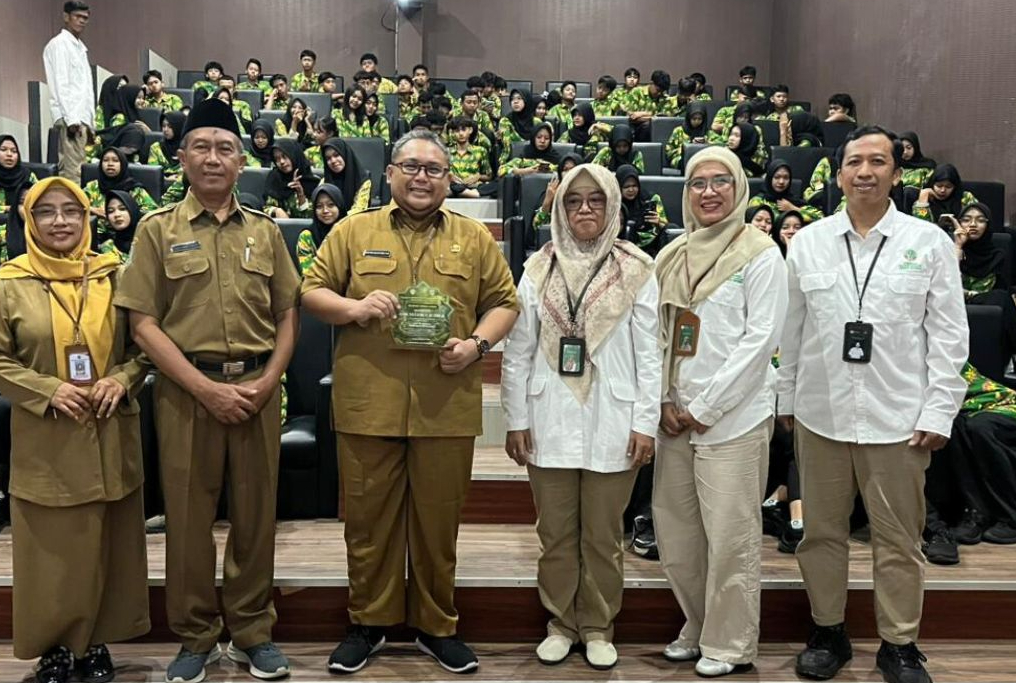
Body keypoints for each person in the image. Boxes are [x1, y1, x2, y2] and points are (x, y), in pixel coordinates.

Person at [300, 129, 519, 675]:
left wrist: (476, 346)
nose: (422, 178)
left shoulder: (473, 237)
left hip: (446, 404)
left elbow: (505, 303)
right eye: (412, 167)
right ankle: (368, 623)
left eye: (434, 169)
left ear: (448, 179)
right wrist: (353, 308)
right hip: (368, 401)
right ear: (391, 173)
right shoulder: (353, 230)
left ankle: (436, 625)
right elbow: (310, 291)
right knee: (368, 524)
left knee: (438, 525)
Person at [115, 98, 301, 682]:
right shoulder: (156, 230)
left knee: (256, 517)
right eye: (202, 146)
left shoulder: (266, 232)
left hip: (257, 391)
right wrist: (203, 388)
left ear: (241, 160)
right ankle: (195, 635)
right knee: (188, 521)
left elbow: (288, 313)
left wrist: (269, 380)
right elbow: (142, 323)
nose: (213, 158)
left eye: (225, 148)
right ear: (182, 156)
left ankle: (252, 631)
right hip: (184, 394)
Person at [777, 126, 968, 683]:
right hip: (821, 415)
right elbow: (792, 331)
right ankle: (828, 631)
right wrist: (786, 397)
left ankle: (899, 645)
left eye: (877, 161)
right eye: (854, 162)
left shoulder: (927, 242)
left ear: (896, 173)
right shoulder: (809, 242)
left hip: (899, 420)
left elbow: (949, 335)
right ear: (838, 174)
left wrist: (939, 410)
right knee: (820, 536)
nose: (865, 171)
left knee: (899, 541)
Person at [0, 176, 147, 683]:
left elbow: (145, 348)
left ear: (88, 217)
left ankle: (95, 642)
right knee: (50, 551)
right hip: (47, 434)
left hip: (109, 428)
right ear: (28, 220)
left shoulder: (116, 274)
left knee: (106, 543)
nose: (60, 222)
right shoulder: (8, 281)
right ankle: (53, 646)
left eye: (71, 210)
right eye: (45, 212)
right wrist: (47, 390)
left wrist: (121, 379)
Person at [501, 164, 660, 670]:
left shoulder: (638, 267)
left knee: (603, 536)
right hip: (548, 416)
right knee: (555, 534)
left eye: (595, 199)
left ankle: (597, 625)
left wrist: (646, 423)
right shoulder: (536, 268)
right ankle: (560, 624)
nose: (584, 208)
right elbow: (518, 351)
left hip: (615, 417)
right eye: (573, 201)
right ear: (560, 209)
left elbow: (650, 354)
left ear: (612, 205)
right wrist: (515, 418)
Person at [652, 147, 788, 678]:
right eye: (697, 183)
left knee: (731, 537)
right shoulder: (672, 255)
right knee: (678, 534)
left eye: (720, 181)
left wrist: (706, 406)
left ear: (739, 189)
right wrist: (664, 399)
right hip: (674, 416)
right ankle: (699, 623)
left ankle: (730, 642)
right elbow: (657, 335)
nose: (708, 192)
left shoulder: (760, 253)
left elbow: (761, 340)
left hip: (733, 418)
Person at [924, 362, 1016, 557]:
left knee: (979, 429)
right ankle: (976, 514)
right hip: (965, 412)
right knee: (959, 429)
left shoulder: (937, 358)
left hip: (1004, 405)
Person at [950, 202, 1016, 370]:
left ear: (988, 225)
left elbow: (1005, 287)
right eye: (966, 220)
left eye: (980, 220)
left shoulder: (998, 255)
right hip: (954, 303)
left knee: (1001, 297)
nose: (973, 224)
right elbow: (949, 285)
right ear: (959, 223)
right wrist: (958, 247)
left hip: (988, 305)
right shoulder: (948, 249)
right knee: (1000, 298)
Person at [43, 1, 94, 183]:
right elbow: (61, 83)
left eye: (85, 18)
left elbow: (85, 89)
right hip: (70, 117)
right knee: (73, 172)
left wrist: (90, 122)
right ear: (66, 17)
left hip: (81, 116)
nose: (82, 21)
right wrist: (71, 119)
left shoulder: (81, 48)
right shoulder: (59, 44)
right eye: (77, 16)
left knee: (81, 169)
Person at [82, 148, 158, 236]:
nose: (110, 164)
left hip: (129, 236)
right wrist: (92, 209)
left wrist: (128, 214)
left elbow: (153, 211)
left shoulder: (134, 189)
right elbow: (75, 204)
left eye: (115, 160)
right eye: (105, 160)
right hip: (96, 236)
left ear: (122, 164)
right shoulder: (93, 186)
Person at [615, 165, 668, 256]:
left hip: (649, 248)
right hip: (621, 247)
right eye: (626, 187)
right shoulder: (613, 202)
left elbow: (664, 224)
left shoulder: (651, 199)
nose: (631, 190)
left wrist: (659, 223)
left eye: (634, 186)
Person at [749, 159, 823, 223]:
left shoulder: (793, 201)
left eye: (786, 178)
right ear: (770, 178)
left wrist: (793, 209)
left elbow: (821, 218)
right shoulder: (758, 201)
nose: (781, 181)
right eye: (777, 177)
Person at [295, 184, 346, 274]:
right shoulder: (307, 236)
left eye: (331, 205)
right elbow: (308, 273)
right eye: (319, 206)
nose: (325, 210)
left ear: (340, 206)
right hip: (317, 281)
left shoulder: (350, 233)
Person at [92, 82, 149, 161]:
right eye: (138, 98)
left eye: (143, 98)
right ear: (129, 98)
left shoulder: (135, 114)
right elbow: (115, 139)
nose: (142, 101)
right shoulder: (120, 117)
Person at [264, 139, 320, 219]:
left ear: (294, 155)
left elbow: (312, 217)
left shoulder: (313, 182)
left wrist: (301, 195)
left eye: (284, 156)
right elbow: (266, 207)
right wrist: (276, 211)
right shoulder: (274, 178)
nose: (281, 162)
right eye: (277, 159)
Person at [912, 163, 978, 224]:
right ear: (932, 184)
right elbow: (921, 226)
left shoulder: (965, 197)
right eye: (939, 186)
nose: (943, 190)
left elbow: (976, 220)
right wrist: (923, 202)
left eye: (948, 186)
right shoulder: (924, 198)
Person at [321, 139, 372, 214]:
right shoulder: (324, 182)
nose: (333, 161)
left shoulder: (363, 181)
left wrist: (336, 217)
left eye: (336, 155)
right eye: (328, 158)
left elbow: (359, 210)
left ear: (345, 154)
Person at [448, 117, 494, 198]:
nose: (461, 133)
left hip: (474, 187)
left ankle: (465, 192)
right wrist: (448, 176)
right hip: (452, 187)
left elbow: (489, 176)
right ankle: (463, 192)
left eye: (463, 130)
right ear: (452, 133)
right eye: (457, 131)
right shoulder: (447, 152)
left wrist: (478, 176)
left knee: (492, 186)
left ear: (470, 130)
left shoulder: (480, 151)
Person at [96, 189, 141, 262]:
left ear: (132, 210)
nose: (117, 215)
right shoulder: (108, 248)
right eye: (110, 211)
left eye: (122, 209)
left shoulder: (146, 239)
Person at [498, 89, 542, 161]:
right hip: (512, 160)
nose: (515, 102)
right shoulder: (505, 121)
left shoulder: (537, 122)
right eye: (512, 99)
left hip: (534, 159)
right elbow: (507, 148)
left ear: (527, 100)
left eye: (519, 98)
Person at [665, 101, 710, 171]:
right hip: (681, 160)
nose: (697, 121)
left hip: (701, 159)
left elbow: (717, 147)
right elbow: (668, 152)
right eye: (694, 119)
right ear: (689, 118)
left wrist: (706, 144)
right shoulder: (678, 131)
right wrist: (688, 147)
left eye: (699, 119)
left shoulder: (708, 133)